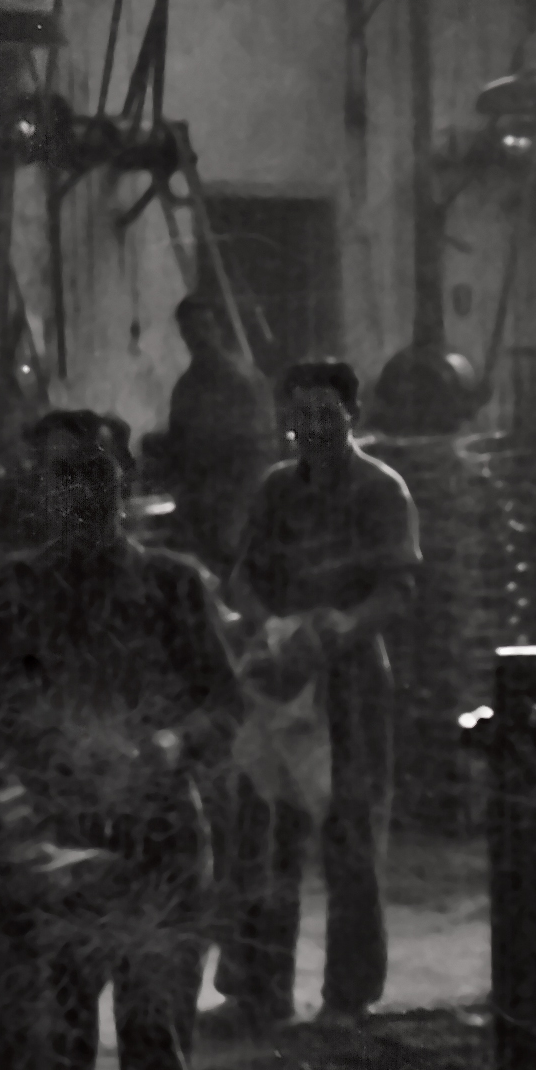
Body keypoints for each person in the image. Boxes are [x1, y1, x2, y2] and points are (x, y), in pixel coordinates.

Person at [0, 409, 240, 1070]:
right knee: (54, 1066)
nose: (80, 490)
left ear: (124, 481)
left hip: (160, 848)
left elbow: (223, 704)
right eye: (61, 474)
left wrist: (166, 745)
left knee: (157, 1053)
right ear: (37, 490)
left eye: (95, 471)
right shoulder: (6, 597)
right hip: (60, 856)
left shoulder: (174, 586)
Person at [222, 359, 421, 1031]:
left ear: (352, 416)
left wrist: (335, 631)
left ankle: (348, 995)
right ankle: (260, 990)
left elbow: (398, 589)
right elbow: (243, 577)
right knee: (264, 834)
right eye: (300, 416)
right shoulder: (276, 488)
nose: (311, 428)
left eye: (325, 415)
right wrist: (270, 629)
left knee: (351, 834)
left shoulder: (381, 489)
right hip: (282, 680)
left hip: (351, 680)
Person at [149, 294, 277, 571]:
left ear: (219, 329)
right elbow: (178, 445)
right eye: (189, 331)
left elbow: (260, 448)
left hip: (238, 499)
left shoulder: (245, 381)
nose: (199, 338)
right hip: (200, 504)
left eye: (205, 327)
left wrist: (237, 502)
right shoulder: (186, 388)